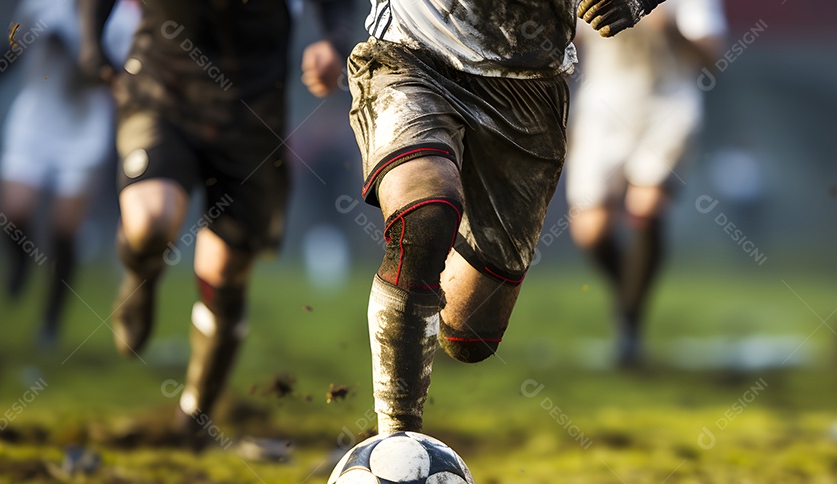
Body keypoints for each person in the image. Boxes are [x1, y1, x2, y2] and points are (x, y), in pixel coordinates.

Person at [348, 0, 665, 434]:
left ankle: (432, 259)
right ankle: (396, 443)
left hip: (529, 87)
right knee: (425, 216)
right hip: (412, 51)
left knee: (470, 336)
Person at [79, 0, 356, 446]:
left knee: (224, 273)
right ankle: (139, 277)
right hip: (162, 89)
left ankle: (196, 414)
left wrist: (333, 41)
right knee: (151, 218)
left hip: (252, 111)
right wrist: (92, 44)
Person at [0, 0, 140, 346]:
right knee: (14, 212)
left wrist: (85, 52)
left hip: (84, 128)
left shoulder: (123, 20)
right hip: (34, 123)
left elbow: (125, 79)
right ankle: (19, 263)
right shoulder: (41, 6)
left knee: (65, 230)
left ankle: (52, 318)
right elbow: (12, 48)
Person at [565, 0, 726, 367]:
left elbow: (714, 54)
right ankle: (629, 296)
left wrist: (668, 27)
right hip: (601, 109)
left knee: (646, 210)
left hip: (667, 106)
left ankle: (629, 328)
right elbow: (563, 40)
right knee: (592, 233)